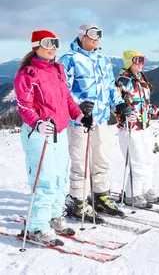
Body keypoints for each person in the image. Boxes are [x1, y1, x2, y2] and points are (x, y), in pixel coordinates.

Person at [14, 30, 94, 246]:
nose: (53, 47)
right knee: (44, 180)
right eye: (48, 43)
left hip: (59, 131)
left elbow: (66, 98)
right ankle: (37, 226)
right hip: (39, 133)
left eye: (56, 43)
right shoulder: (28, 74)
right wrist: (38, 123)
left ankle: (54, 215)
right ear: (35, 45)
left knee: (59, 177)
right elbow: (23, 106)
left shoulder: (58, 69)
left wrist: (79, 115)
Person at [59, 24, 136, 221]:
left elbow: (110, 87)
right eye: (92, 34)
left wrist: (120, 105)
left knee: (102, 158)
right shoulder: (69, 60)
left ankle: (100, 196)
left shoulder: (103, 59)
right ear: (82, 36)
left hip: (101, 118)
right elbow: (62, 90)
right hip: (80, 121)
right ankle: (77, 200)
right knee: (80, 163)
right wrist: (79, 106)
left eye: (100, 35)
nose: (96, 38)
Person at [115, 50, 159, 207]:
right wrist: (122, 113)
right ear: (129, 62)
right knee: (137, 162)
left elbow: (145, 105)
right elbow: (114, 102)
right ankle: (132, 194)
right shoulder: (122, 81)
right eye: (138, 60)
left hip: (144, 126)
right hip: (130, 128)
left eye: (143, 60)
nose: (142, 63)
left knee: (148, 160)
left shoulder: (142, 79)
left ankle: (145, 189)